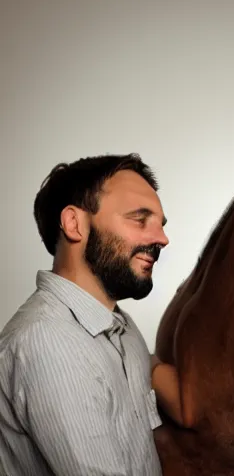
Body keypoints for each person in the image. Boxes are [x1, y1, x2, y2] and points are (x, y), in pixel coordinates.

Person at [0, 153, 182, 476]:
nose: (162, 239)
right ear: (74, 224)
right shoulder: (48, 342)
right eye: (140, 219)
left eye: (160, 225)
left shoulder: (123, 329)